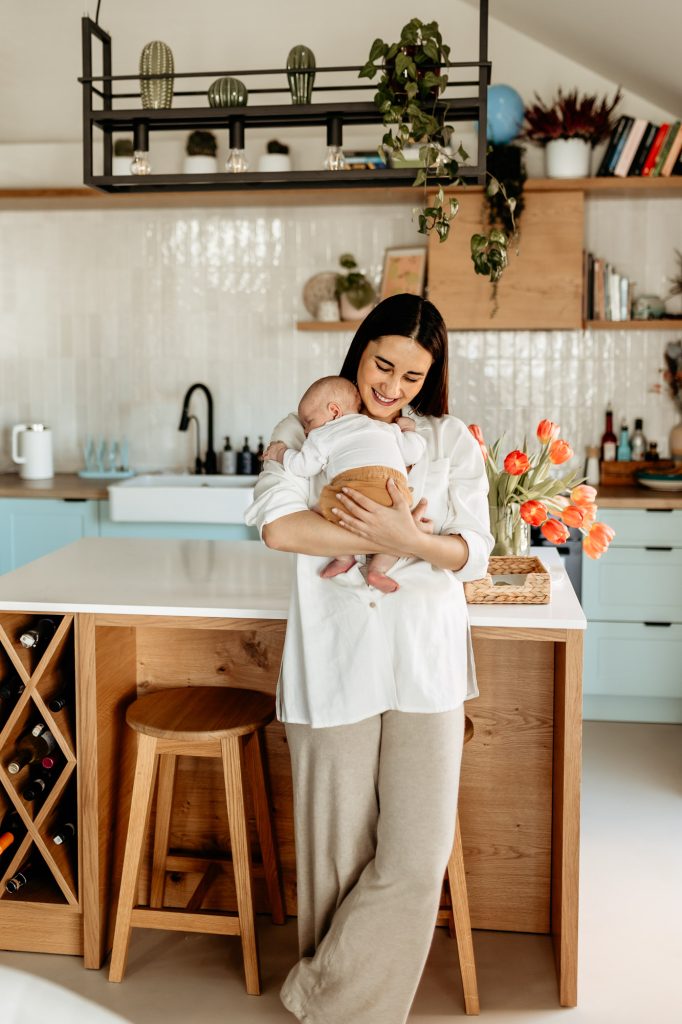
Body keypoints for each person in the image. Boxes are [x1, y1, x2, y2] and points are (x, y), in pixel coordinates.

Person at [245, 293, 493, 1024]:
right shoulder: (308, 424)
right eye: (383, 364)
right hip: (335, 659)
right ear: (360, 350)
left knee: (416, 861)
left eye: (412, 377)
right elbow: (277, 528)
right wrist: (381, 530)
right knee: (335, 861)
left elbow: (473, 553)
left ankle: (320, 1000)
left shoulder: (446, 440)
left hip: (427, 662)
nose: (392, 386)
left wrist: (407, 539)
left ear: (431, 380)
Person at [264, 374, 427, 592]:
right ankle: (377, 570)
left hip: (355, 488)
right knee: (399, 527)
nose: (305, 431)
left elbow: (302, 466)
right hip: (396, 494)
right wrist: (409, 430)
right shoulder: (384, 428)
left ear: (334, 411)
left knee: (317, 512)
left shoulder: (322, 434)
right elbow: (414, 452)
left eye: (308, 422)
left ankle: (344, 557)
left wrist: (281, 453)